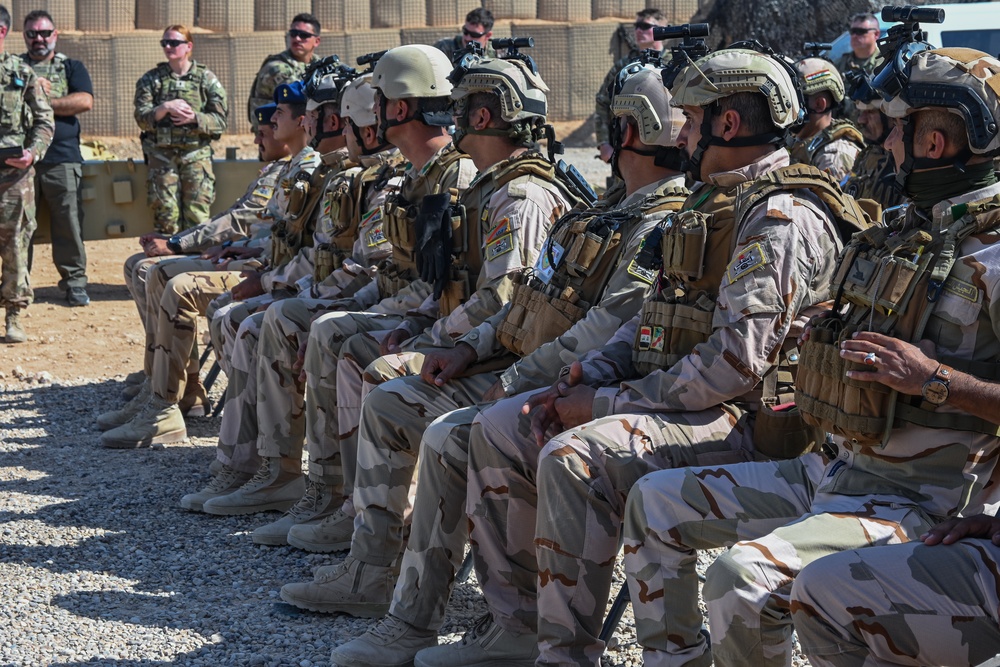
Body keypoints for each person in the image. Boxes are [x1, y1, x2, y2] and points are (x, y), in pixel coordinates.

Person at [447, 46, 863, 667]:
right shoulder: (711, 203)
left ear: (729, 124)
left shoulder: (779, 218)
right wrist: (595, 371)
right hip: (689, 401)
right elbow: (653, 312)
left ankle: (574, 654)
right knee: (505, 423)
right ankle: (518, 626)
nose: (681, 133)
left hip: (755, 420)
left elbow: (737, 362)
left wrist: (607, 403)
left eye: (691, 119)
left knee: (576, 453)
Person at [621, 47, 1000, 667]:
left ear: (935, 141)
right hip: (833, 470)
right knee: (656, 501)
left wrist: (936, 380)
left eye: (898, 128)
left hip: (915, 501)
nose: (886, 142)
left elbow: (938, 378)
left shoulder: (992, 256)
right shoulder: (905, 229)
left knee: (742, 578)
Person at [324, 62, 691, 667]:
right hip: (528, 368)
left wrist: (512, 380)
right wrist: (468, 349)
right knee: (399, 400)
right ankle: (402, 603)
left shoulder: (659, 224)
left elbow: (603, 332)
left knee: (451, 434)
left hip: (577, 389)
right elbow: (528, 301)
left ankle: (507, 623)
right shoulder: (612, 210)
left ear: (625, 131)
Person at [277, 47, 590, 616]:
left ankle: (379, 563)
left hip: (508, 360)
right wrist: (429, 326)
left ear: (482, 115)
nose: (452, 113)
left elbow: (501, 297)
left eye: (463, 103)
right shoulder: (490, 187)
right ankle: (370, 548)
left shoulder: (517, 196)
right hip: (487, 347)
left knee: (389, 387)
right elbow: (447, 279)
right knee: (369, 364)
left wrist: (441, 338)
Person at [190, 45, 475, 518]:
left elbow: (422, 281)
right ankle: (293, 479)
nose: (348, 129)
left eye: (370, 108)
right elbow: (383, 273)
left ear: (396, 109)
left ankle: (345, 502)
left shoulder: (444, 180)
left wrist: (349, 312)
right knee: (293, 322)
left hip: (440, 327)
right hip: (400, 307)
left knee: (308, 327)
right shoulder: (407, 179)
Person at [100, 82, 318, 449]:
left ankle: (169, 401)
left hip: (277, 275)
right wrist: (237, 247)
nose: (258, 136)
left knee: (169, 277)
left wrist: (182, 244)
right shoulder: (290, 167)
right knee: (153, 270)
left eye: (275, 118)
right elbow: (268, 231)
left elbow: (260, 226)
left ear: (302, 122)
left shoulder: (304, 168)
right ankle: (170, 393)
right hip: (258, 261)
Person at [788, 337, 1000, 667]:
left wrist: (935, 377)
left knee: (750, 576)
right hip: (840, 469)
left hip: (917, 499)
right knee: (819, 589)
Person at [20, 9, 93, 308]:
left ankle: (75, 283)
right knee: (18, 226)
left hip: (62, 158)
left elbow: (84, 101)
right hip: (20, 159)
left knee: (69, 225)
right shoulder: (13, 67)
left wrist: (41, 98)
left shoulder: (71, 67)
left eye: (45, 33)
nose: (39, 39)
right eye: (32, 34)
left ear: (55, 35)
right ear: (24, 36)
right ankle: (17, 285)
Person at [134, 25, 228, 235]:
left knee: (198, 219)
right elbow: (141, 117)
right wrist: (164, 108)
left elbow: (220, 121)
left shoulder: (206, 79)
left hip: (196, 156)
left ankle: (193, 265)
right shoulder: (152, 80)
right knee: (165, 217)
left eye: (174, 42)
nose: (168, 47)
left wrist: (195, 118)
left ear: (188, 46)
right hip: (162, 158)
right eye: (164, 43)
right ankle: (164, 265)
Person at [0, 4, 54, 344]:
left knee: (15, 247)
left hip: (13, 178)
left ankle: (14, 316)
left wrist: (32, 153)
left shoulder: (20, 73)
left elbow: (44, 122)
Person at [595, 8, 665, 163]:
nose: (639, 30)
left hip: (668, 146)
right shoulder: (624, 66)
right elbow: (603, 101)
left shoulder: (674, 63)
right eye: (636, 26)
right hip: (627, 146)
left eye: (645, 26)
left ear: (662, 30)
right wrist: (604, 143)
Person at [788, 58, 863, 181]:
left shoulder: (833, 159)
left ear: (819, 105)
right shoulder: (799, 141)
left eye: (795, 101)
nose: (787, 107)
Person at [248, 13, 321, 127]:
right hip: (273, 133)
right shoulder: (277, 68)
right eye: (293, 34)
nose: (297, 39)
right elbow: (301, 96)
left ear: (316, 41)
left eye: (303, 35)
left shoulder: (318, 64)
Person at [841, 88, 904, 210]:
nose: (861, 120)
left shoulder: (905, 163)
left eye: (870, 112)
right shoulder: (868, 155)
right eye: (861, 113)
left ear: (891, 116)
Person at [834, 12, 881, 77]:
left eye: (860, 31)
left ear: (876, 34)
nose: (854, 36)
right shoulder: (840, 64)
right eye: (852, 31)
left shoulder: (885, 63)